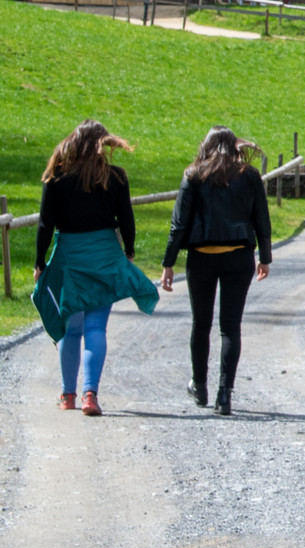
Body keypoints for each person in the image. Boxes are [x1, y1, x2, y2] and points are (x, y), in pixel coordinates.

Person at [32, 120, 159, 416]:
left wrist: (39, 261)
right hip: (104, 255)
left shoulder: (57, 177)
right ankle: (91, 394)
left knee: (71, 329)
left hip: (70, 259)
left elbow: (45, 224)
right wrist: (128, 250)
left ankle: (67, 395)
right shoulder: (115, 177)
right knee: (95, 328)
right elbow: (126, 218)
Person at [160, 127, 272, 416]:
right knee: (230, 327)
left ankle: (200, 387)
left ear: (206, 145)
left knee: (201, 324)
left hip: (201, 258)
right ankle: (225, 394)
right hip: (239, 257)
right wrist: (265, 257)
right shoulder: (249, 176)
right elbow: (262, 218)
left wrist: (168, 263)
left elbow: (179, 224)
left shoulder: (194, 175)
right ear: (234, 146)